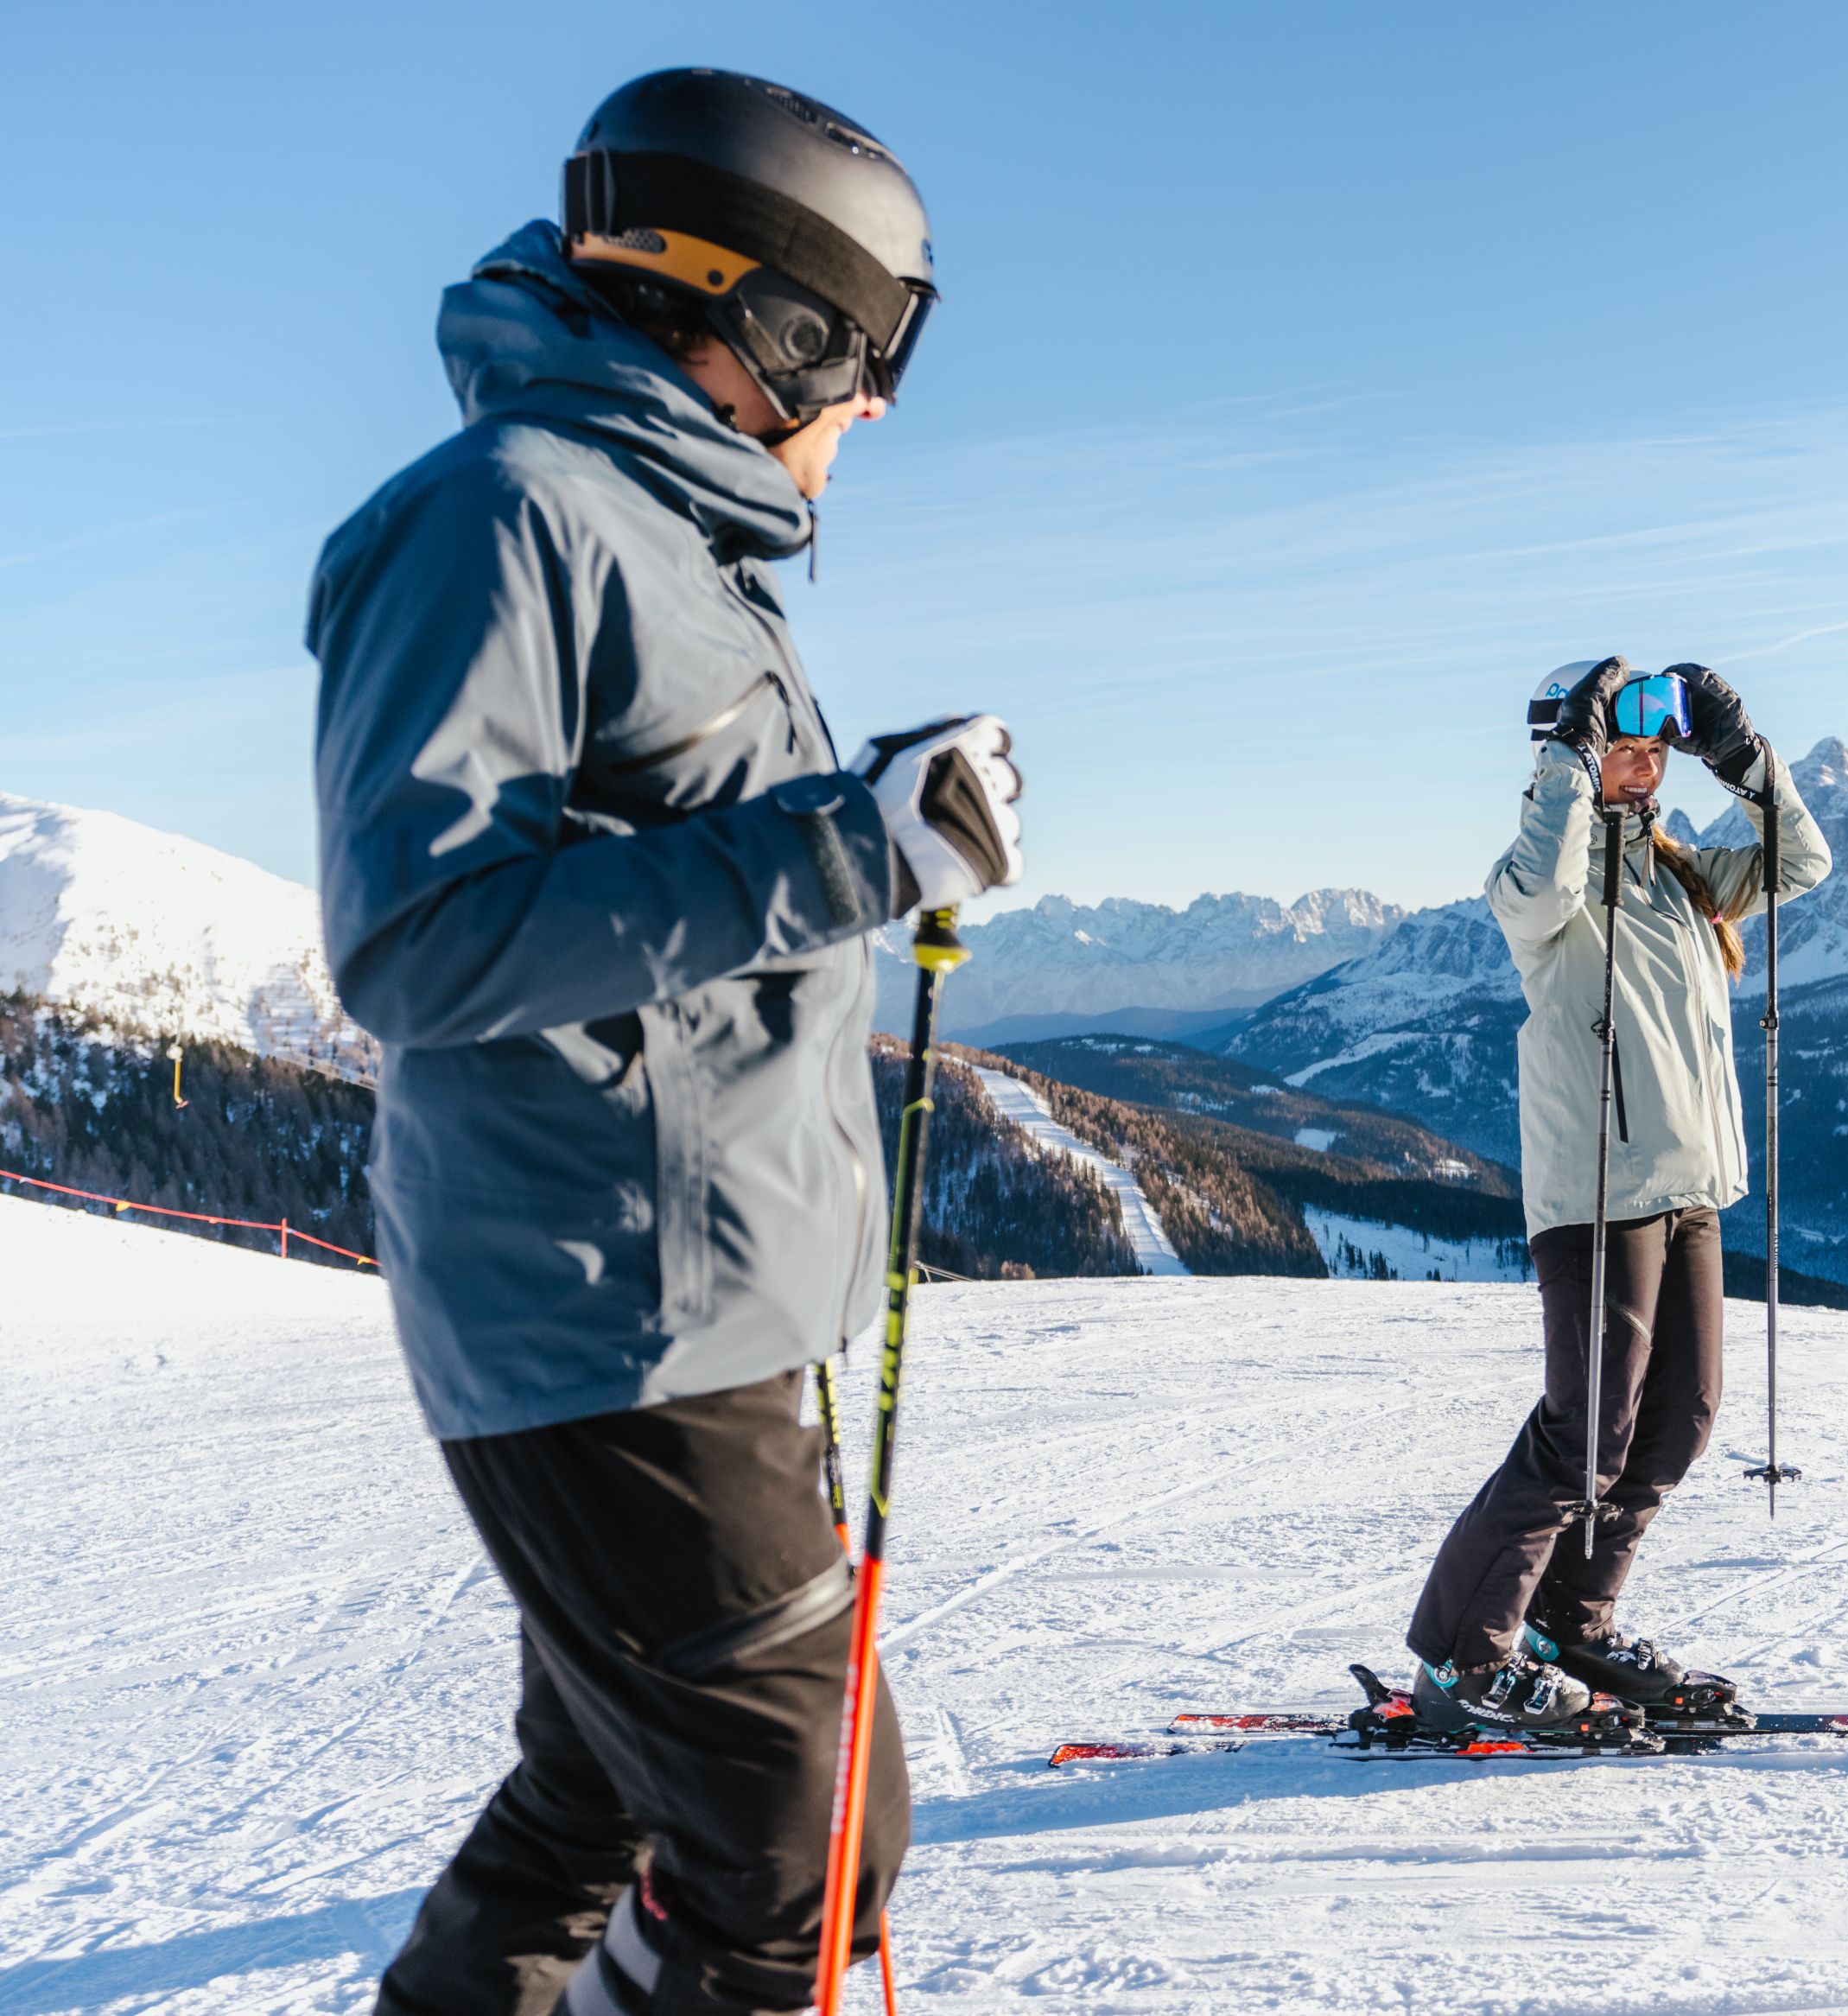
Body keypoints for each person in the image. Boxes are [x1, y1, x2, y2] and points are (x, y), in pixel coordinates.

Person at [308, 70, 1024, 2016]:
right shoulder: (504, 516)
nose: (871, 406)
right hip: (609, 1319)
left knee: (599, 1783)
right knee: (800, 1846)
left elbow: (687, 886)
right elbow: (416, 938)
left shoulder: (670, 543)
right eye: (866, 352)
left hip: (707, 1300)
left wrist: (864, 825)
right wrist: (840, 846)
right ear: (767, 318)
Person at [1404, 657, 1832, 1731]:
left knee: (1677, 1425)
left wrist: (1746, 761)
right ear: (1575, 755)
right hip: (1595, 1193)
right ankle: (1464, 1657)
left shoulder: (1686, 874)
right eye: (1619, 748)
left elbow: (1804, 860)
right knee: (1584, 1433)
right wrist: (1569, 760)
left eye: (1655, 750)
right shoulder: (1534, 881)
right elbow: (1544, 883)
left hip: (1690, 1186)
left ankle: (1570, 1620)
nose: (1641, 767)